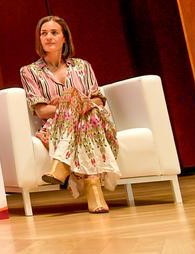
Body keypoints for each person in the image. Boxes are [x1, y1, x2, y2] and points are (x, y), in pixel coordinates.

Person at [18, 15, 120, 214]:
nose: (48, 37)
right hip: (56, 126)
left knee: (75, 100)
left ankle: (61, 165)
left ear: (64, 38)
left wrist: (72, 100)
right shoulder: (29, 71)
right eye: (43, 33)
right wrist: (69, 104)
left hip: (96, 119)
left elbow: (99, 100)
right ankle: (94, 191)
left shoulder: (83, 66)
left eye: (54, 33)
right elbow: (42, 111)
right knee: (76, 105)